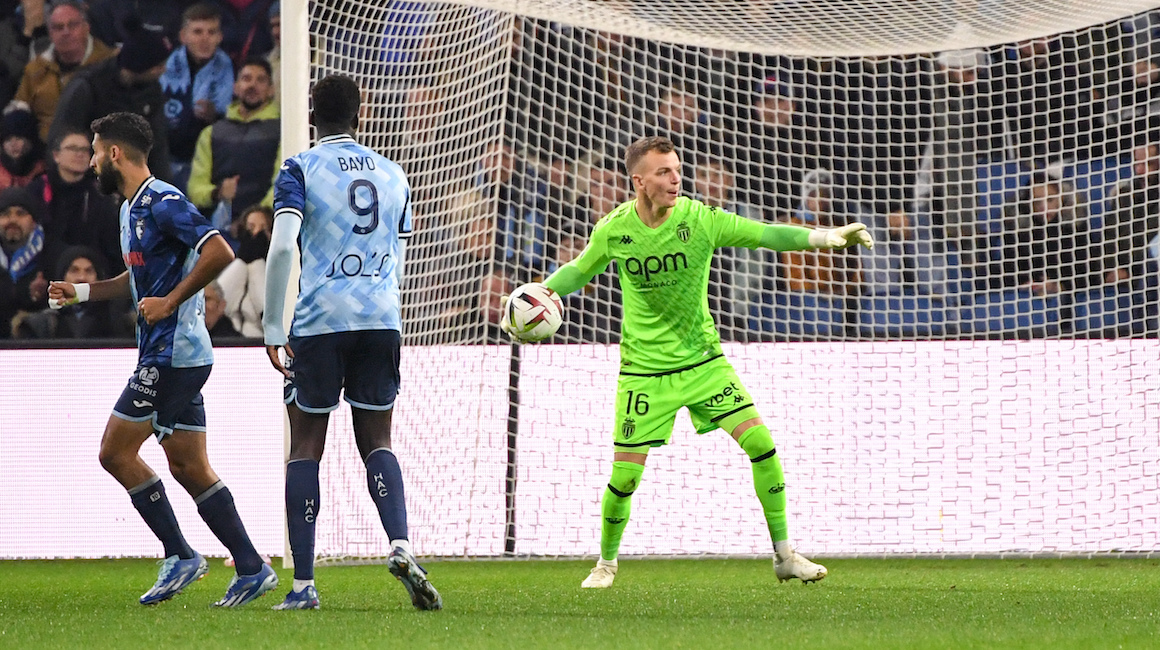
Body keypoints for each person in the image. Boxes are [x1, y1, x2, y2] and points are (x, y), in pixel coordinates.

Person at [503, 136, 873, 589]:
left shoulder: (700, 220)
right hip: (644, 372)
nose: (675, 179)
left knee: (762, 446)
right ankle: (606, 564)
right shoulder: (614, 230)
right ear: (639, 181)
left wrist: (823, 237)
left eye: (677, 170)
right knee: (625, 477)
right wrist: (539, 295)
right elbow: (580, 270)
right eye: (663, 172)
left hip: (704, 364)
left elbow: (764, 234)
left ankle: (784, 555)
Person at [46, 112, 277, 607]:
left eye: (95, 152)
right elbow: (134, 282)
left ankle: (180, 554)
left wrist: (170, 302)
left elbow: (219, 250)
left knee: (114, 452)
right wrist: (81, 292)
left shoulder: (163, 202)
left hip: (173, 354)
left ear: (114, 153)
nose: (91, 163)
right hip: (172, 353)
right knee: (189, 466)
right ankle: (251, 567)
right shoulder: (130, 210)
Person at [263, 74, 441, 611]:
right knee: (378, 441)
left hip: (321, 320)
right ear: (360, 114)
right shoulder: (393, 173)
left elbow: (282, 247)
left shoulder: (299, 169)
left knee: (305, 446)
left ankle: (303, 585)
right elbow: (400, 254)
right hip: (381, 317)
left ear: (312, 115)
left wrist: (273, 327)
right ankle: (401, 544)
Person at [187, 57, 279, 223]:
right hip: (218, 225)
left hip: (265, 225)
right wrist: (218, 192)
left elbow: (282, 185)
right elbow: (195, 189)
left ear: (271, 90)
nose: (252, 85)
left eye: (261, 80)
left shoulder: (283, 132)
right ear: (235, 87)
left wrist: (258, 215)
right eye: (246, 79)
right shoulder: (211, 133)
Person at [11, 1, 115, 143]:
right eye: (58, 27)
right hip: (45, 147)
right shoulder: (35, 69)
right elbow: (19, 108)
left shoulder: (109, 63)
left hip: (95, 145)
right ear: (50, 33)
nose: (66, 32)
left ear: (86, 27)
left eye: (72, 25)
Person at [160, 2, 235, 191]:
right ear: (183, 36)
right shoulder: (164, 66)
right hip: (166, 155)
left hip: (209, 160)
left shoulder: (230, 69)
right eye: (197, 32)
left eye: (211, 32)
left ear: (220, 37)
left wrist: (216, 117)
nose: (205, 39)